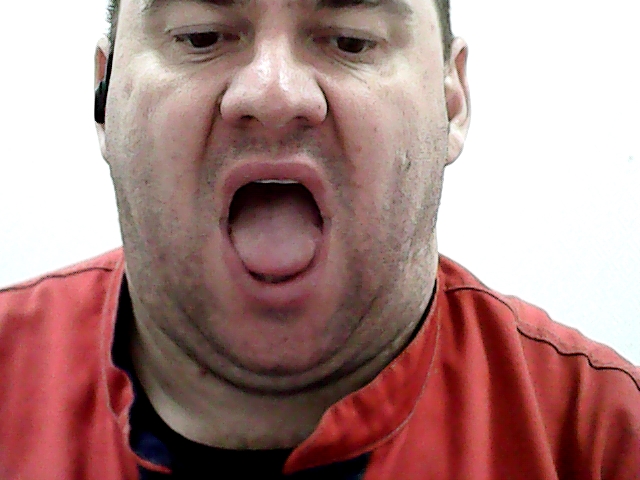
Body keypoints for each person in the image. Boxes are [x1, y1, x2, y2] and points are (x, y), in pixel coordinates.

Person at [0, 0, 638, 478]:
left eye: (351, 41)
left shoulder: (604, 441)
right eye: (200, 36)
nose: (274, 94)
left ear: (451, 101)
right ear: (104, 93)